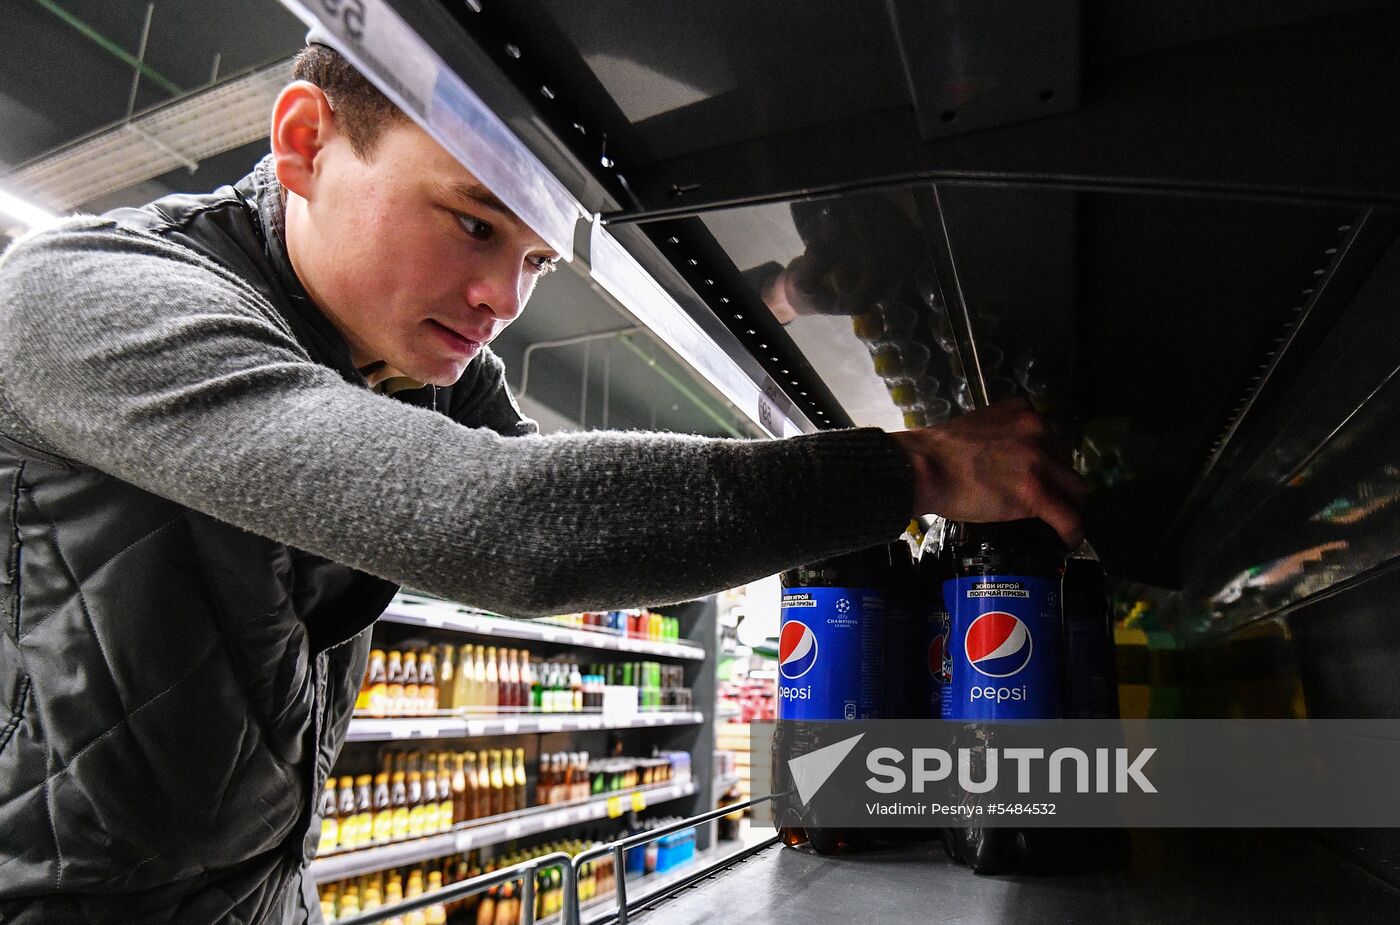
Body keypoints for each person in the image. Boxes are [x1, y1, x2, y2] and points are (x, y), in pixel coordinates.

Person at [0, 39, 1084, 925]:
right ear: (304, 140)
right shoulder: (88, 295)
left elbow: (585, 500)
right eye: (472, 223)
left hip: (262, 891)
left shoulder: (403, 357)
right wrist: (920, 467)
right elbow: (505, 519)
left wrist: (789, 291)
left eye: (531, 261)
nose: (497, 301)